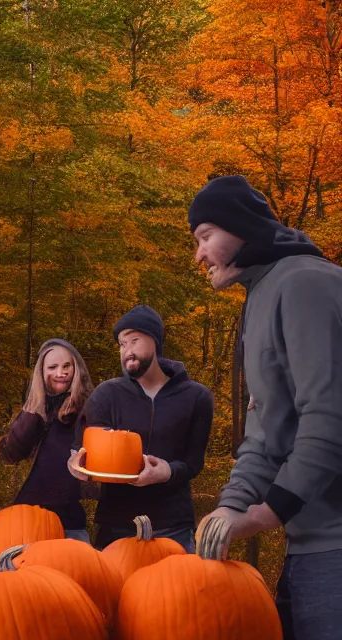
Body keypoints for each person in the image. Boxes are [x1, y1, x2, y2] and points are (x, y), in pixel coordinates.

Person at [189, 175, 342, 640]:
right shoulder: (263, 293)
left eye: (205, 236)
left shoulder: (305, 283)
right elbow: (267, 430)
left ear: (241, 227)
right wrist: (231, 506)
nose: (198, 254)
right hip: (309, 545)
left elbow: (330, 415)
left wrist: (266, 512)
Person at [68, 305, 213, 552]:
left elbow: (193, 462)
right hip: (117, 526)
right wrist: (77, 465)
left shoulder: (197, 397)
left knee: (179, 591)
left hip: (173, 526)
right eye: (122, 345)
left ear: (155, 341)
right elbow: (84, 450)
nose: (127, 352)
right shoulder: (106, 395)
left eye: (134, 341)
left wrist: (167, 471)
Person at [0, 339, 94, 542]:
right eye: (53, 367)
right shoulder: (34, 410)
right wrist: (34, 410)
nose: (61, 372)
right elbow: (11, 453)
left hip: (70, 520)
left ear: (76, 368)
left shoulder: (88, 410)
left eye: (67, 366)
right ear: (42, 373)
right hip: (28, 520)